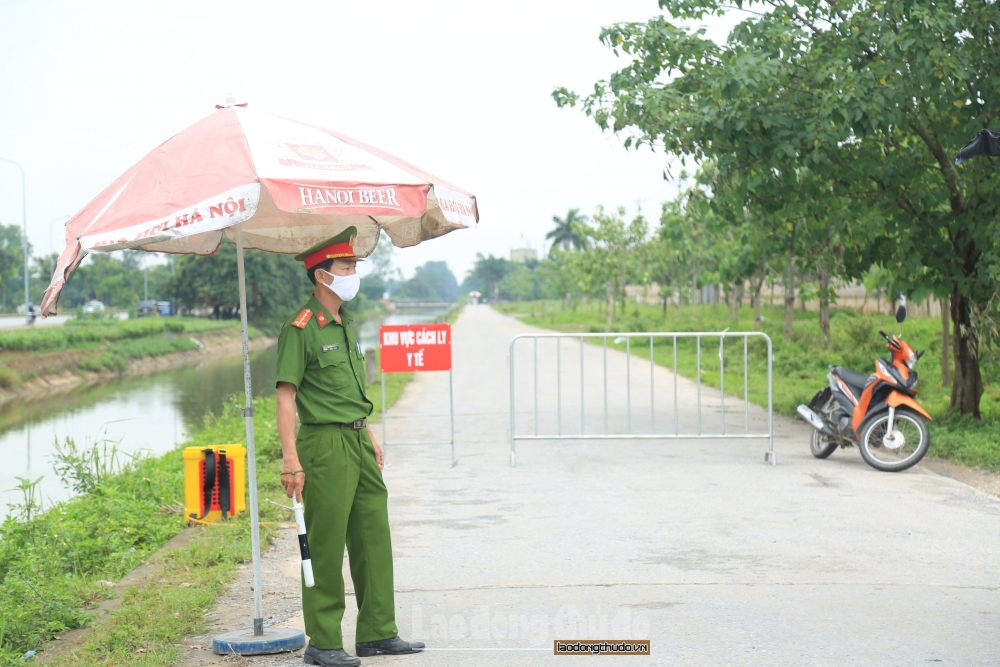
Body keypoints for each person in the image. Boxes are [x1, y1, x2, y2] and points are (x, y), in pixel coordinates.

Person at [275, 227, 424, 667]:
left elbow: (351, 391)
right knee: (324, 544)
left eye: (354, 266)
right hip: (324, 444)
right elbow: (286, 396)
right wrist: (290, 460)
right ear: (322, 276)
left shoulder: (346, 324)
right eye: (345, 267)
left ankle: (378, 632)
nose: (352, 273)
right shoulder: (300, 328)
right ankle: (322, 642)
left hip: (358, 439)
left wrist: (370, 436)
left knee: (372, 534)